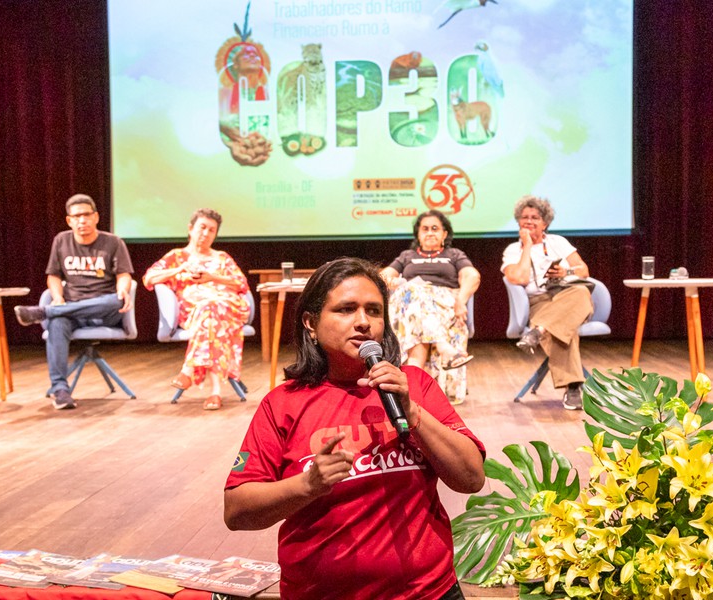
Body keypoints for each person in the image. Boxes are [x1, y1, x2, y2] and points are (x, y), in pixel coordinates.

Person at [223, 257, 486, 600]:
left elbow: (471, 478)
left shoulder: (414, 386)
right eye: (346, 309)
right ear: (311, 323)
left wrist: (412, 412)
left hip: (429, 592)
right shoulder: (283, 403)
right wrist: (306, 485)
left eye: (374, 311)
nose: (363, 322)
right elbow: (237, 511)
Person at [14, 194, 134, 410]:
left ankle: (44, 312)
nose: (82, 220)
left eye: (86, 215)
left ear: (96, 217)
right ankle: (60, 390)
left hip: (103, 310)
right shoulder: (61, 240)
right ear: (69, 220)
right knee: (57, 322)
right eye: (76, 216)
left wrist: (123, 289)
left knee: (114, 300)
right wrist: (58, 298)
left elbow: (124, 274)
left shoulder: (113, 242)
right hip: (72, 310)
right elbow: (53, 276)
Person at [142, 208, 249, 411]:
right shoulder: (177, 256)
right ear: (190, 229)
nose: (206, 233)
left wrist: (212, 277)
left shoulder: (222, 257)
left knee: (212, 309)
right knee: (210, 317)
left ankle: (188, 371)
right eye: (202, 227)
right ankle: (215, 391)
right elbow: (149, 279)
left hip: (228, 308)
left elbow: (241, 283)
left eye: (211, 230)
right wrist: (179, 269)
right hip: (194, 311)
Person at [501, 195, 594, 410]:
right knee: (563, 329)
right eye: (524, 217)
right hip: (540, 302)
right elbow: (519, 278)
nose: (529, 221)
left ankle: (539, 330)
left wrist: (564, 272)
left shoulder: (557, 242)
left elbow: (583, 270)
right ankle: (573, 388)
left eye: (535, 217)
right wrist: (526, 246)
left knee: (581, 291)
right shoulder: (512, 250)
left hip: (570, 297)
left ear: (545, 223)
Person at [380, 210, 481, 402]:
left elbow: (472, 276)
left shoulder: (454, 255)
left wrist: (461, 300)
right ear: (418, 234)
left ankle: (413, 382)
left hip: (443, 303)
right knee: (413, 291)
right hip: (410, 304)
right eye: (425, 229)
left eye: (435, 228)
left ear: (444, 234)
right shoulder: (407, 256)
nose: (430, 232)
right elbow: (383, 276)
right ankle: (443, 347)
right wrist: (392, 282)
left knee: (416, 307)